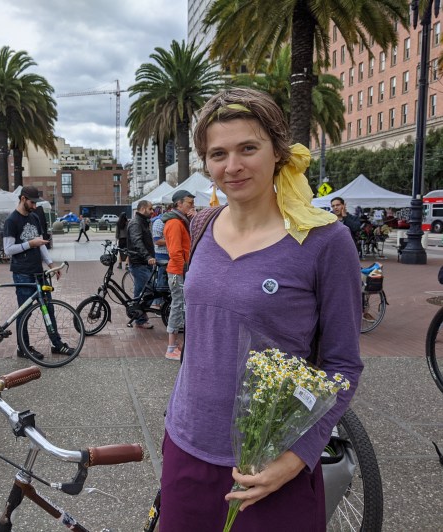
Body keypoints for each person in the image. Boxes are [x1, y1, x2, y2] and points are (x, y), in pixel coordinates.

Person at [160, 88, 363, 530]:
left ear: (278, 151)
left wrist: (297, 457)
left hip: (270, 463)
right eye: (218, 154)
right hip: (186, 446)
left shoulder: (325, 241)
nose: (232, 166)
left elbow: (343, 365)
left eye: (248, 148)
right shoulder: (202, 225)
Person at [3, 185, 75, 359]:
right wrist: (30, 244)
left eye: (36, 203)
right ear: (22, 199)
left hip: (39, 272)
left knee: (48, 308)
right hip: (22, 272)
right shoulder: (11, 221)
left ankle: (56, 344)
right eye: (32, 202)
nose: (35, 206)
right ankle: (23, 348)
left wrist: (51, 265)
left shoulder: (34, 217)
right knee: (24, 312)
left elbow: (40, 244)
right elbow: (8, 249)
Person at [161, 190, 195, 360]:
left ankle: (174, 346)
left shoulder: (179, 221)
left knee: (179, 306)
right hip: (178, 271)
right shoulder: (175, 222)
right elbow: (175, 252)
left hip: (179, 270)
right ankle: (171, 347)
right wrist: (185, 271)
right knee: (177, 307)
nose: (192, 206)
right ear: (179, 204)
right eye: (189, 203)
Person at [127, 200, 156, 329]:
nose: (152, 211)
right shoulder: (136, 223)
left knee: (142, 291)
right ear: (143, 209)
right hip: (139, 263)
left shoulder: (142, 222)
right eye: (150, 209)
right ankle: (139, 318)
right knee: (148, 290)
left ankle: (140, 316)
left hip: (143, 262)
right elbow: (137, 241)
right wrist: (148, 256)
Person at [151, 204, 170, 308]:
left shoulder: (170, 221)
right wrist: (172, 241)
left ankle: (164, 302)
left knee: (166, 279)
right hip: (161, 255)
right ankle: (158, 303)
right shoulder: (159, 222)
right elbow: (157, 241)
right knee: (161, 279)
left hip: (169, 254)